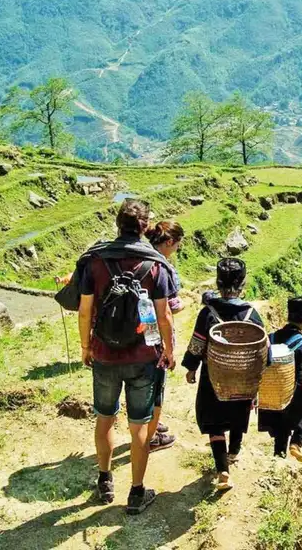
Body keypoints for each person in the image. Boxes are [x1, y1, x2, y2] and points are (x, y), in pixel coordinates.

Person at [77, 199, 175, 515]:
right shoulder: (156, 265)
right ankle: (136, 493)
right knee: (139, 425)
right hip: (143, 357)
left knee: (105, 417)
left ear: (118, 224)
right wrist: (169, 352)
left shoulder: (95, 261)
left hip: (104, 352)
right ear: (145, 227)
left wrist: (85, 346)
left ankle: (104, 481)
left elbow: (84, 311)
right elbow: (164, 318)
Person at [183, 257, 265, 491]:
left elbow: (197, 345)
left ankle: (223, 472)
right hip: (243, 381)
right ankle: (234, 453)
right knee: (239, 415)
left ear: (218, 283)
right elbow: (263, 353)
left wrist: (191, 368)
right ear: (243, 284)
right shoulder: (252, 315)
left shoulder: (208, 313)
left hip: (214, 380)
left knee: (215, 423)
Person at [258, 297, 302, 463]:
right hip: (295, 399)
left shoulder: (270, 338)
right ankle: (296, 445)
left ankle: (279, 456)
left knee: (280, 430)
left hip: (273, 396)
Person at [144, 220, 186, 453]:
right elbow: (170, 308)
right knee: (155, 384)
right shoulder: (162, 267)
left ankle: (149, 423)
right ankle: (149, 437)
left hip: (134, 330)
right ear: (169, 242)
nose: (177, 248)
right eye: (177, 244)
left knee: (141, 383)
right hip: (155, 334)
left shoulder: (137, 255)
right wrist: (170, 351)